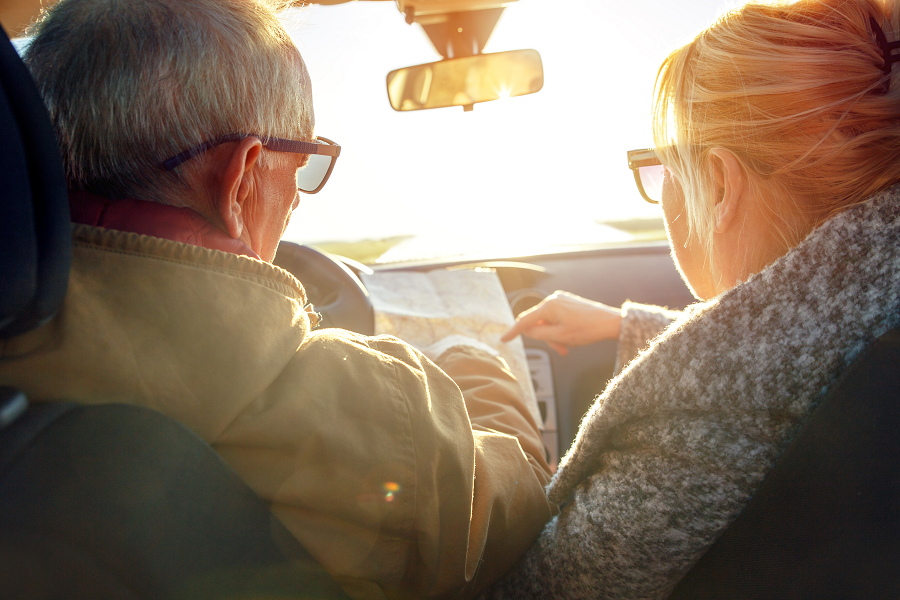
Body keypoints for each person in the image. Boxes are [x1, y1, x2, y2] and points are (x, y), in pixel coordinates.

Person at [0, 1, 555, 598]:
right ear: (242, 180)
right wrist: (475, 362)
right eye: (303, 167)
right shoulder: (368, 418)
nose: (295, 203)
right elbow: (521, 492)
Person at [489, 0, 900, 597]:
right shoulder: (872, 303)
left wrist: (480, 381)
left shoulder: (694, 438)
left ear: (719, 183)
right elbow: (798, 344)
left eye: (664, 167)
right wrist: (626, 325)